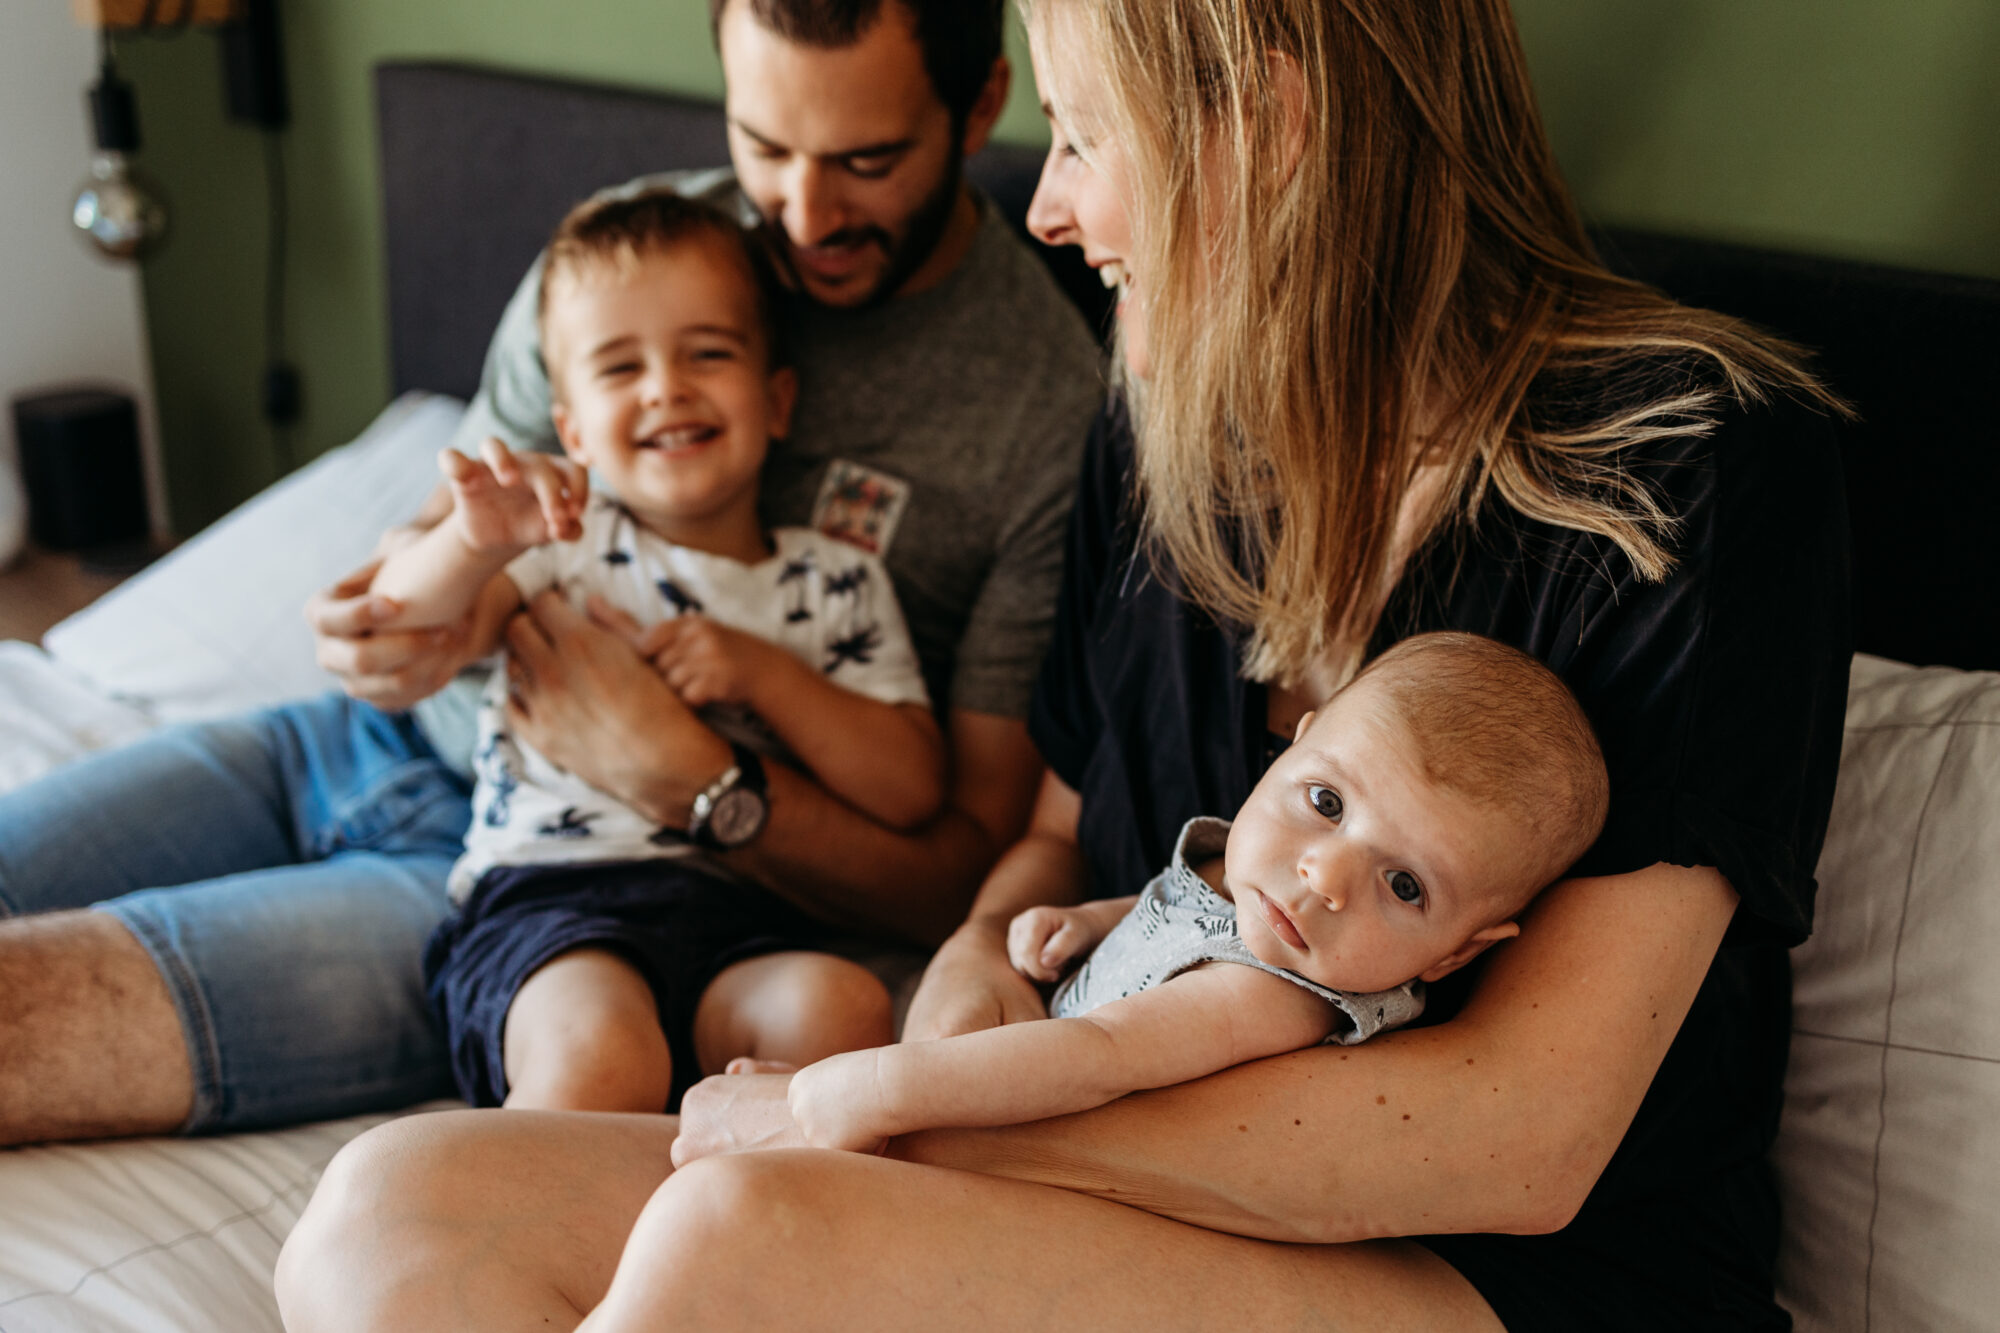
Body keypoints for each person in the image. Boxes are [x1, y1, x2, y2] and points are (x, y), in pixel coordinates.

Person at [276, 0, 1852, 1330]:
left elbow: (1516, 1140)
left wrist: (905, 1116)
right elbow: (1048, 832)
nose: (1049, 206)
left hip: (1489, 1279)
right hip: (1101, 1180)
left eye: (1088, 138)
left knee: (740, 1233)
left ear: (1273, 121)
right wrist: (969, 972)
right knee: (397, 1205)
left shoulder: (1691, 474)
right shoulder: (1161, 426)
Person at [0, 0, 1100, 1145]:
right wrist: (395, 617)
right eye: (764, 146)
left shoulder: (1044, 416)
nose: (802, 213)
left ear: (978, 107)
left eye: (866, 161)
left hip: (547, 885)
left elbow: (958, 860)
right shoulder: (619, 256)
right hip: (352, 746)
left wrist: (699, 777)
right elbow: (456, 534)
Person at [384, 191, 945, 1113]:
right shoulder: (562, 537)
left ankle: (741, 1222)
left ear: (777, 401)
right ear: (569, 430)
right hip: (553, 905)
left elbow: (910, 787)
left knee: (841, 1006)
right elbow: (422, 627)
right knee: (604, 1055)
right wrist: (470, 543)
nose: (666, 388)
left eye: (708, 354)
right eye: (619, 367)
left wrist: (766, 674)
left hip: (747, 916)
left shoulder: (835, 581)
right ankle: (544, 1240)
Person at [788, 632, 1608, 1154]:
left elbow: (1100, 1055)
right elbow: (1177, 913)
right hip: (1016, 1088)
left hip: (1062, 1167)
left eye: (1404, 884)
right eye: (1326, 802)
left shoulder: (1279, 992)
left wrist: (882, 1086)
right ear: (1296, 741)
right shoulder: (1252, 886)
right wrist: (1088, 920)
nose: (1324, 875)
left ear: (1461, 949)